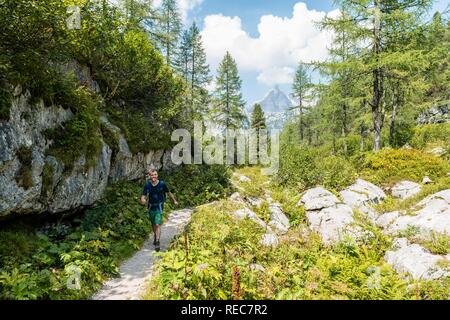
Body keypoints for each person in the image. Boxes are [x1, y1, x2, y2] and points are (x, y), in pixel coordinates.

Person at [140, 169, 178, 251]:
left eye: (155, 174)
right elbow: (143, 195)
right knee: (153, 224)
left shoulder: (162, 184)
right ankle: (155, 235)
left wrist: (174, 200)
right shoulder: (147, 185)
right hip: (151, 207)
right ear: (150, 176)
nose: (154, 176)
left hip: (159, 206)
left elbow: (168, 192)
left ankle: (157, 241)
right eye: (152, 175)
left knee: (157, 224)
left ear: (157, 175)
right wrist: (142, 199)